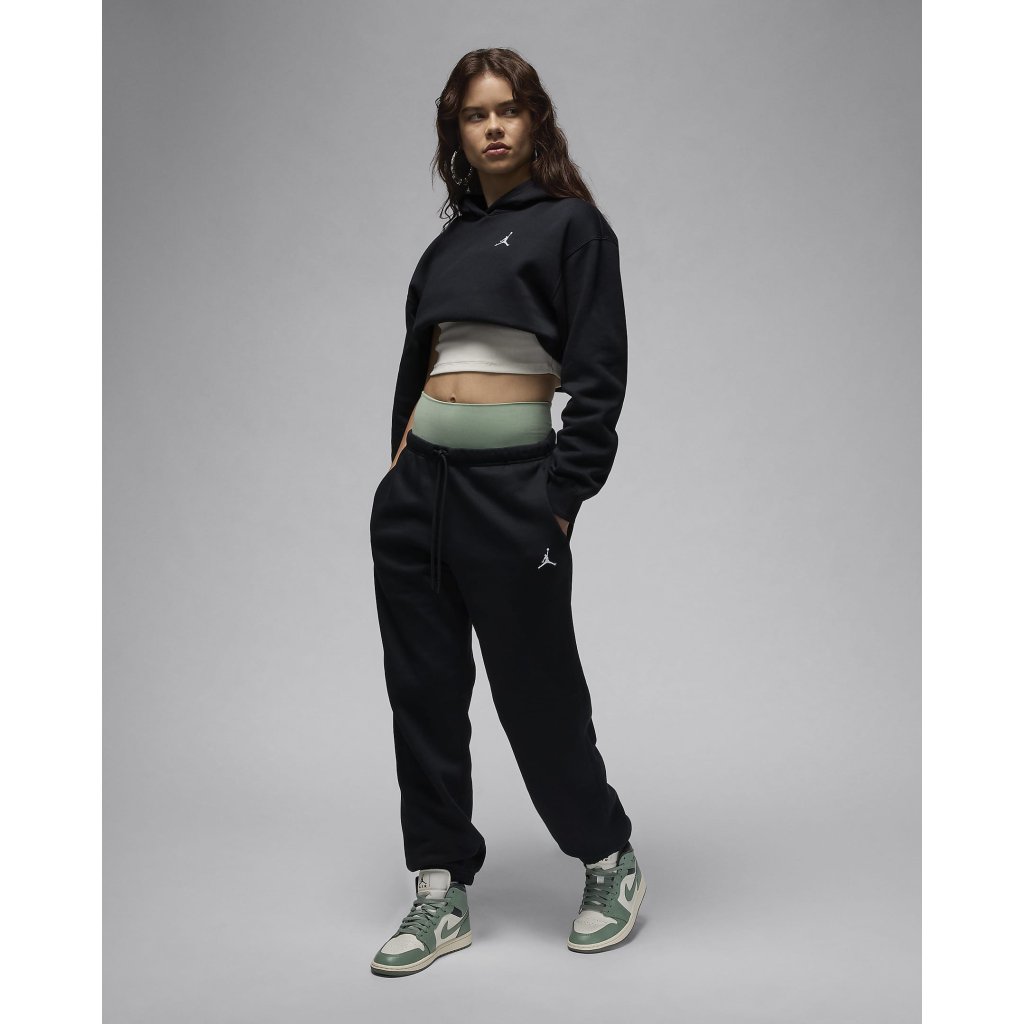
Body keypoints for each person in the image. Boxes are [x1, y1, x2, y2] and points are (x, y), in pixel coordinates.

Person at [368, 48, 645, 978]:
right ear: (456, 133)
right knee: (423, 697)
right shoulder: (445, 248)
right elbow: (422, 364)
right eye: (474, 114)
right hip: (419, 497)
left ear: (535, 123)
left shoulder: (573, 228)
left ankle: (607, 857)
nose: (492, 127)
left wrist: (559, 501)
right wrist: (398, 470)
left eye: (508, 110)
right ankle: (439, 887)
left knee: (538, 694)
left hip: (512, 497)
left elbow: (599, 376)